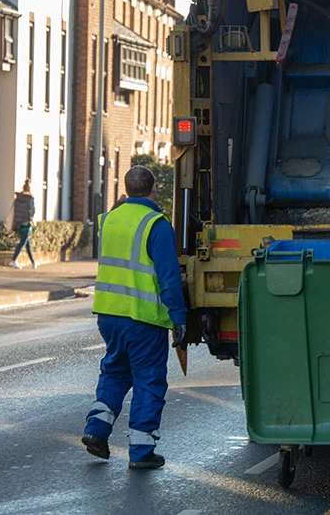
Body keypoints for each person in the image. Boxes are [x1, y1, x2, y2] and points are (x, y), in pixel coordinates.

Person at [82, 166, 187, 470]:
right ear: (154, 187)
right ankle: (141, 451)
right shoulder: (157, 225)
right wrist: (178, 318)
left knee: (115, 372)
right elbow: (168, 278)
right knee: (148, 380)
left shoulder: (109, 220)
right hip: (143, 319)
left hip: (109, 314)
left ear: (127, 189)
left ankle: (96, 430)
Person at [9, 179, 37, 269]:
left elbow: (13, 209)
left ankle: (33, 262)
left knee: (27, 243)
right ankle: (13, 260)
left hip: (18, 223)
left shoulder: (18, 198)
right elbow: (32, 211)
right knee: (22, 243)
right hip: (26, 223)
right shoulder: (30, 199)